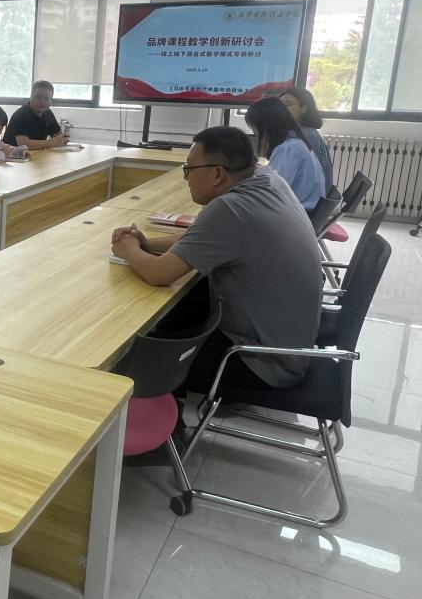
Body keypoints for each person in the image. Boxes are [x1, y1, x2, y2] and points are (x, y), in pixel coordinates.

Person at [110, 126, 322, 392]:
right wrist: (147, 243)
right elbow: (205, 237)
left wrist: (128, 248)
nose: (186, 178)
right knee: (177, 311)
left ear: (218, 174)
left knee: (131, 365)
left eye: (189, 169)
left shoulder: (230, 209)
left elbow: (158, 274)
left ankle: (166, 407)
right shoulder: (266, 179)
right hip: (286, 344)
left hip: (260, 361)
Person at [245, 96, 325, 211]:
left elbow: (271, 190)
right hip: (304, 210)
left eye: (256, 132)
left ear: (268, 127)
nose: (257, 137)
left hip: (298, 212)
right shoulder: (296, 143)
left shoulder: (289, 148)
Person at [280, 87, 333, 190]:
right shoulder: (310, 131)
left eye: (287, 104)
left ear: (303, 109)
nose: (281, 109)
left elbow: (279, 180)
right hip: (319, 195)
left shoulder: (298, 136)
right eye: (279, 105)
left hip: (305, 198)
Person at [2, 80, 69, 150]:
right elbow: (24, 145)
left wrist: (63, 138)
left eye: (46, 98)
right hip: (12, 155)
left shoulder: (48, 113)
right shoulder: (21, 115)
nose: (42, 101)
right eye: (38, 97)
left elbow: (59, 136)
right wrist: (52, 142)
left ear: (51, 101)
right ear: (30, 97)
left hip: (35, 154)